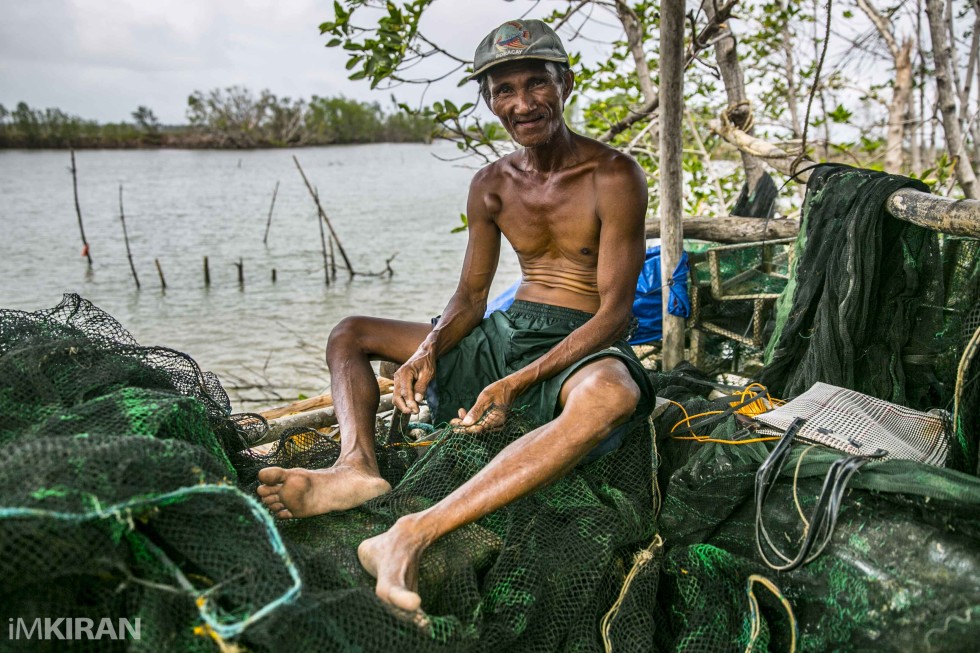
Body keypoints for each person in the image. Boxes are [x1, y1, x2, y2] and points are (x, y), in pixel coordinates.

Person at [257, 18, 655, 613]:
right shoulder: (490, 185)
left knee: (612, 397)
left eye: (535, 83)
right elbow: (471, 299)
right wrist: (427, 351)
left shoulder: (614, 175)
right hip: (507, 330)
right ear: (489, 101)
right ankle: (357, 465)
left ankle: (411, 532)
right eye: (503, 91)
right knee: (350, 334)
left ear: (566, 83)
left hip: (582, 342)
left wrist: (517, 382)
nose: (521, 104)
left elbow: (616, 315)